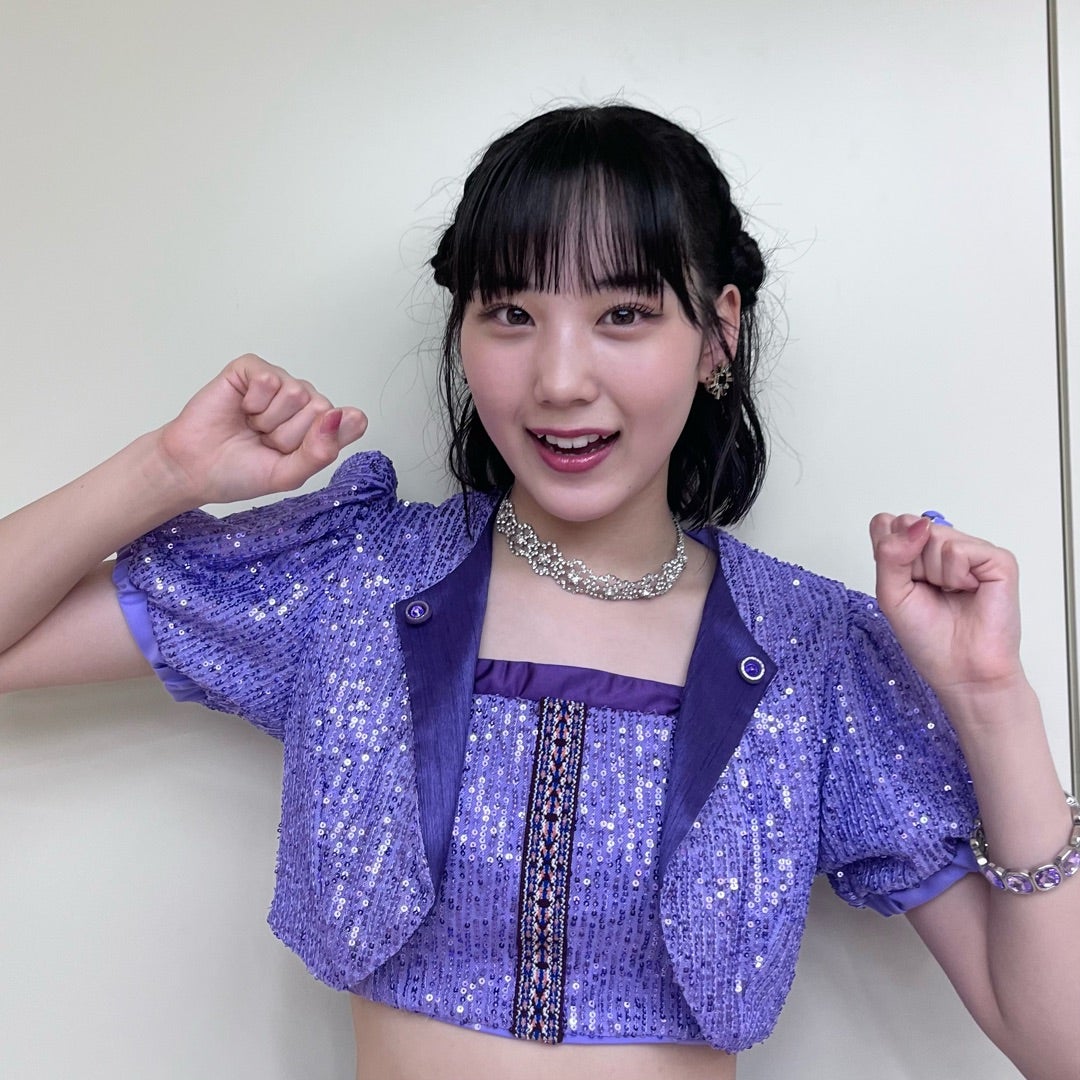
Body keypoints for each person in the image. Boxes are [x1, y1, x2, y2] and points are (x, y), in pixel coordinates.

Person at [0, 104, 1077, 1080]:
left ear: (719, 333)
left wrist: (992, 701)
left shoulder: (813, 649)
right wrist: (166, 471)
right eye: (511, 312)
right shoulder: (356, 578)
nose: (560, 379)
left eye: (624, 313)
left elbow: (1056, 1043)